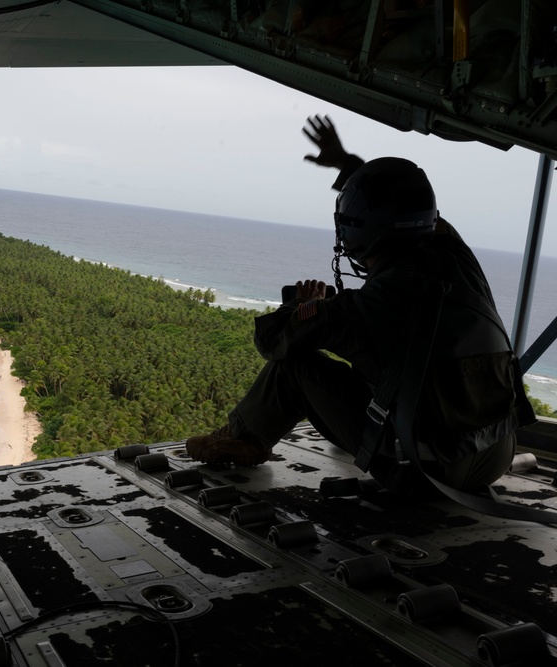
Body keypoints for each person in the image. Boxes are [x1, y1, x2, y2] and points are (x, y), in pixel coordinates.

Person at [186, 114, 534, 496]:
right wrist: (347, 164)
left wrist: (300, 305)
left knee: (295, 367)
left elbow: (271, 341)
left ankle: (243, 437)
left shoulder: (361, 309)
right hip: (496, 453)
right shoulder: (457, 255)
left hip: (426, 474)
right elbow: (405, 208)